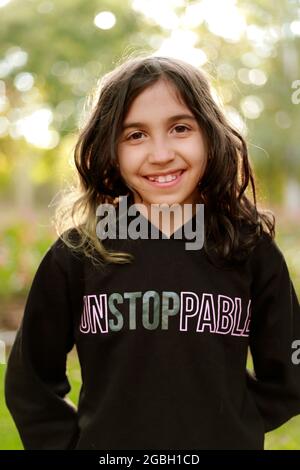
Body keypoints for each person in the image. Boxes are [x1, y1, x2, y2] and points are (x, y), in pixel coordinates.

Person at [4, 54, 300, 450]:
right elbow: (30, 382)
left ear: (210, 135)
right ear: (109, 147)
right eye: (135, 135)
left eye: (180, 128)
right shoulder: (78, 254)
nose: (160, 153)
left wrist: (233, 424)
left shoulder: (248, 249)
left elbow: (289, 376)